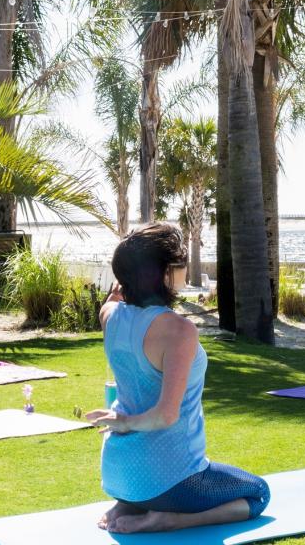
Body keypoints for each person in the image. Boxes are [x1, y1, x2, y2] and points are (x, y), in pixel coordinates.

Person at [86, 222, 270, 534]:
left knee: (157, 482)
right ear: (165, 273)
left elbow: (114, 302)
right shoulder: (178, 331)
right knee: (259, 492)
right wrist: (125, 421)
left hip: (116, 474)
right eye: (180, 263)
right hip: (171, 479)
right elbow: (165, 415)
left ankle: (130, 503)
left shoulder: (109, 315)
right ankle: (171, 519)